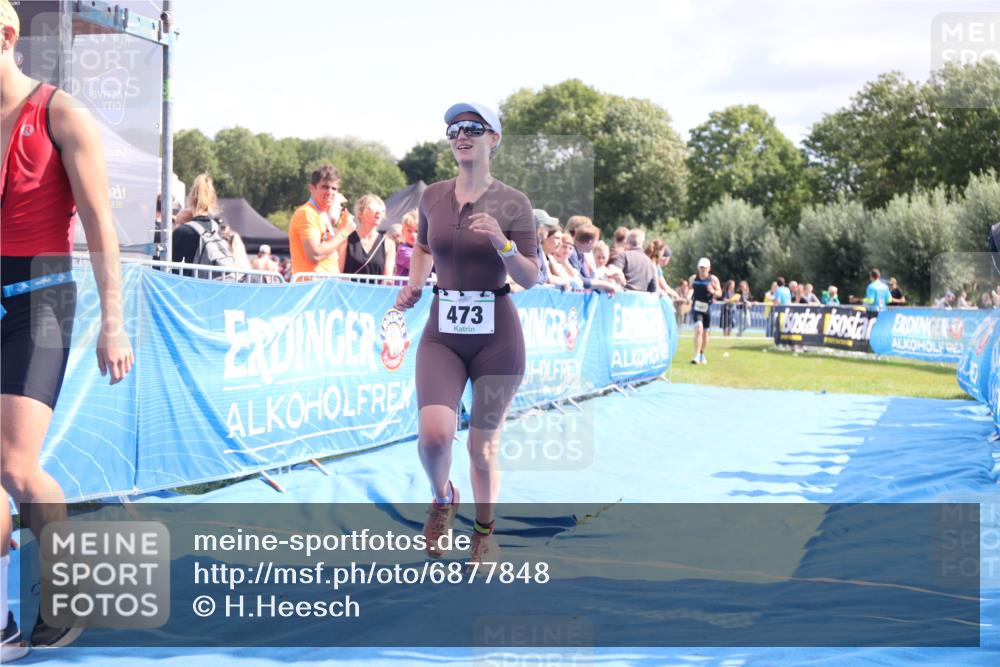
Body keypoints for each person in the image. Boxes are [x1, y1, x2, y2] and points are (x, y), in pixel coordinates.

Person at [1, 1, 134, 658]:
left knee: (17, 468)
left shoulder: (60, 112)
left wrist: (115, 324)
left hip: (42, 294)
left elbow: (103, 230)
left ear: (6, 36)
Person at [394, 102, 538, 565]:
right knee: (434, 437)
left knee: (480, 446)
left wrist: (505, 244)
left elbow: (532, 276)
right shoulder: (433, 196)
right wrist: (416, 283)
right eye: (454, 128)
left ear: (493, 138)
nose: (461, 134)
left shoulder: (514, 202)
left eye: (473, 128)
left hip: (498, 336)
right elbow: (420, 247)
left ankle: (483, 531)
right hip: (443, 332)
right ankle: (441, 499)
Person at [288, 165, 356, 278]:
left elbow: (333, 253)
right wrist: (344, 232)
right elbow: (315, 255)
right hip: (312, 289)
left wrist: (341, 228)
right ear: (312, 188)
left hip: (326, 288)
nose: (330, 192)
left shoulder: (323, 214)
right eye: (325, 187)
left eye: (334, 188)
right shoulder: (307, 213)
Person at [172, 172, 226, 277]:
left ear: (191, 199)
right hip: (212, 284)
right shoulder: (216, 228)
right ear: (211, 200)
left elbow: (169, 266)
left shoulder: (183, 231)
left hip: (190, 286)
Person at [342, 193, 395, 278]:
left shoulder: (388, 244)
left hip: (376, 291)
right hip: (349, 290)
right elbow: (338, 274)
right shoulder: (346, 239)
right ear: (360, 213)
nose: (378, 212)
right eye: (373, 208)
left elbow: (387, 279)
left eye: (381, 210)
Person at [568, 223, 619, 294]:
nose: (595, 245)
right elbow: (581, 281)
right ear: (590, 242)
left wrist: (605, 287)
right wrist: (606, 285)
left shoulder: (580, 254)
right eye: (596, 241)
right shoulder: (571, 252)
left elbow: (588, 278)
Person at [688, 257, 722, 364]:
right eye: (701, 268)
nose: (702, 270)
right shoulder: (693, 278)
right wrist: (687, 298)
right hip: (696, 307)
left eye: (705, 268)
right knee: (699, 329)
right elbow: (690, 289)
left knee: (706, 334)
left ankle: (702, 353)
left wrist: (713, 291)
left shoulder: (713, 279)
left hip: (707, 308)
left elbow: (720, 293)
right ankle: (696, 355)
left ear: (709, 268)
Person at [531, 209, 560, 287]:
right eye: (548, 226)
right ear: (539, 227)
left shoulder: (538, 246)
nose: (549, 230)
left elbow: (545, 275)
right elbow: (529, 276)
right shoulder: (522, 245)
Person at [394, 210, 419, 277]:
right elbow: (418, 265)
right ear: (403, 232)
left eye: (417, 231)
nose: (413, 235)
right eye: (409, 230)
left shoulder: (426, 250)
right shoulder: (403, 250)